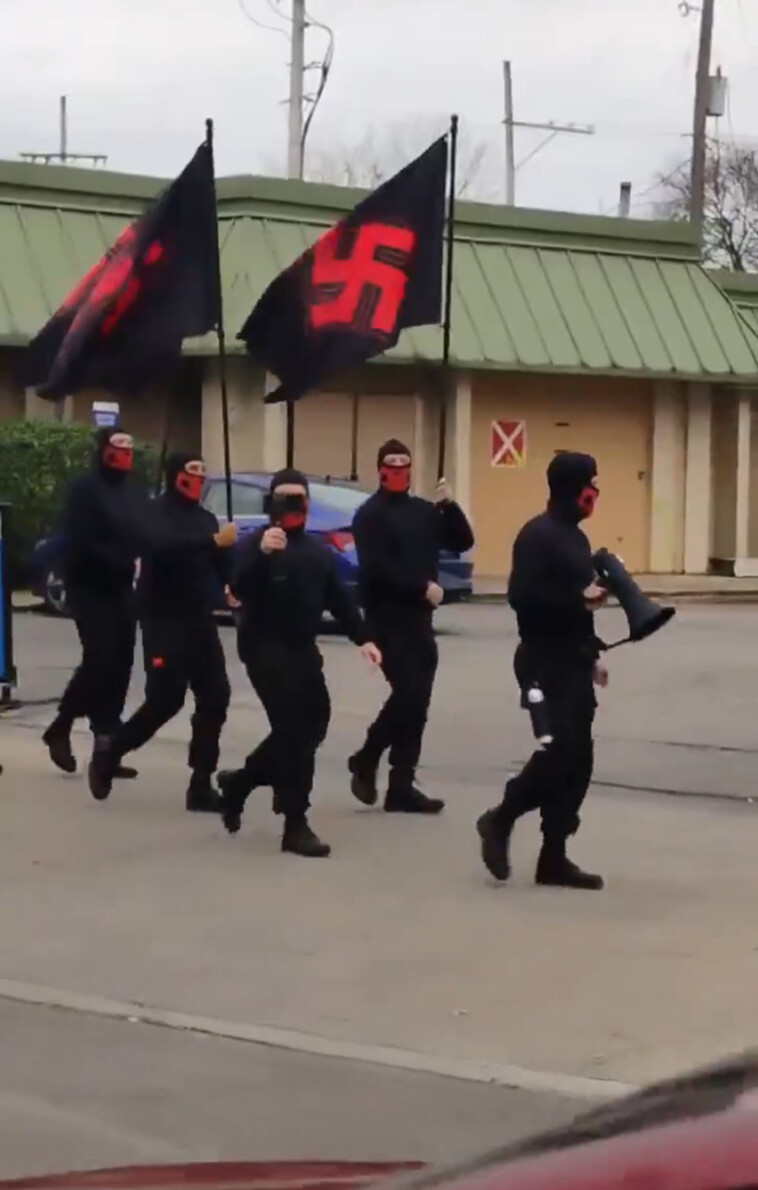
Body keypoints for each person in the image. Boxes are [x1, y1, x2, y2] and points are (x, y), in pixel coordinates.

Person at [218, 468, 382, 859]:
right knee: (293, 730)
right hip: (263, 646)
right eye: (284, 498)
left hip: (302, 647)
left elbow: (339, 600)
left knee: (314, 724)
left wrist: (365, 638)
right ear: (271, 503)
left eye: (299, 498)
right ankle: (295, 822)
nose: (292, 505)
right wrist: (262, 556)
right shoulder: (254, 543)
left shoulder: (316, 551)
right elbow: (237, 587)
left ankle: (240, 783)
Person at [476, 451, 608, 891]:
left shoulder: (576, 539)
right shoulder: (537, 535)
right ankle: (500, 819)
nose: (597, 491)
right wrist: (579, 600)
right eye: (592, 482)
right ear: (574, 488)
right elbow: (522, 598)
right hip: (542, 662)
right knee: (559, 752)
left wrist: (593, 655)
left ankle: (554, 857)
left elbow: (580, 608)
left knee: (579, 761)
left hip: (573, 659)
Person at [87, 452, 237, 810]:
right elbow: (163, 547)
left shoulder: (206, 519)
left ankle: (200, 784)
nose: (199, 479)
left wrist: (232, 583)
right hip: (162, 617)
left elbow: (220, 563)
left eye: (204, 471)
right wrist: (212, 542)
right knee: (166, 698)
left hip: (199, 618)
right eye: (192, 471)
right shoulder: (155, 514)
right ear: (175, 476)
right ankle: (112, 752)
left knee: (216, 697)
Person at [348, 439, 474, 815]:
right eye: (392, 464)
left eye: (405, 464)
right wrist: (422, 586)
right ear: (380, 469)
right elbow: (376, 568)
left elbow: (462, 540)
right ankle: (368, 756)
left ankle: (401, 783)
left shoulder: (423, 511)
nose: (399, 470)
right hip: (386, 618)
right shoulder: (369, 515)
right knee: (408, 695)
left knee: (417, 703)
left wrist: (449, 507)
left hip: (419, 619)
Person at [42, 426, 144, 780]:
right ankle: (62, 724)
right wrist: (117, 558)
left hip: (121, 587)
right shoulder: (85, 488)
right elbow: (80, 539)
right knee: (100, 657)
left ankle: (107, 745)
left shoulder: (132, 491)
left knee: (121, 663)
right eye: (118, 448)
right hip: (89, 585)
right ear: (103, 450)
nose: (125, 455)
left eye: (130, 448)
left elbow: (139, 530)